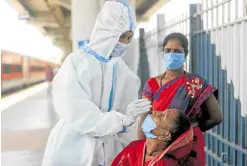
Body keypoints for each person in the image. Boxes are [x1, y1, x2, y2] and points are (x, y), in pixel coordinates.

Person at [42, 1, 151, 166]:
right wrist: (119, 122)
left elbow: (129, 121)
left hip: (110, 152)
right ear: (107, 31)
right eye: (122, 36)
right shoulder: (76, 63)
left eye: (129, 38)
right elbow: (76, 111)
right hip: (73, 150)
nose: (125, 44)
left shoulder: (125, 74)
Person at [138, 33, 222, 165]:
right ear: (163, 54)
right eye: (168, 50)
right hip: (160, 147)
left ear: (185, 54)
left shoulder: (196, 83)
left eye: (177, 51)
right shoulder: (152, 84)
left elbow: (216, 117)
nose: (172, 54)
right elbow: (143, 121)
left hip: (186, 147)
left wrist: (189, 130)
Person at [112, 109, 196, 165]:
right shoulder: (135, 146)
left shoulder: (165, 164)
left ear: (164, 136)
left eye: (162, 115)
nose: (156, 112)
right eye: (162, 111)